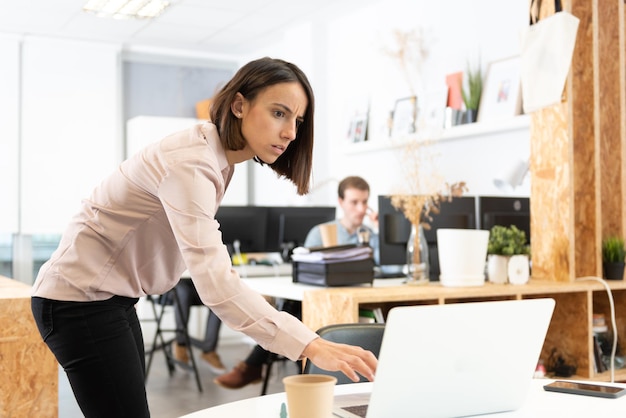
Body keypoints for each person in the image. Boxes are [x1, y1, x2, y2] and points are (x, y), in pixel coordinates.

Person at [30, 57, 377, 417]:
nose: (291, 132)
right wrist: (310, 344)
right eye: (279, 113)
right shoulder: (192, 163)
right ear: (240, 105)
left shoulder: (216, 158)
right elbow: (216, 286)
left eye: (298, 121)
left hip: (108, 300)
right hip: (78, 301)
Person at [214, 175, 379, 389]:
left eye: (364, 202)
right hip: (314, 300)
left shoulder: (369, 234)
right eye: (354, 202)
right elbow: (306, 270)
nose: (361, 209)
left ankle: (251, 366)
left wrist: (378, 231)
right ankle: (255, 367)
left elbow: (389, 268)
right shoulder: (321, 233)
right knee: (292, 311)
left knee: (292, 312)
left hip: (354, 297)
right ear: (341, 202)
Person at [171, 280, 226, 374]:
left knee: (218, 296)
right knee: (183, 291)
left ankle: (209, 350)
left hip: (199, 283)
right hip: (174, 286)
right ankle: (181, 344)